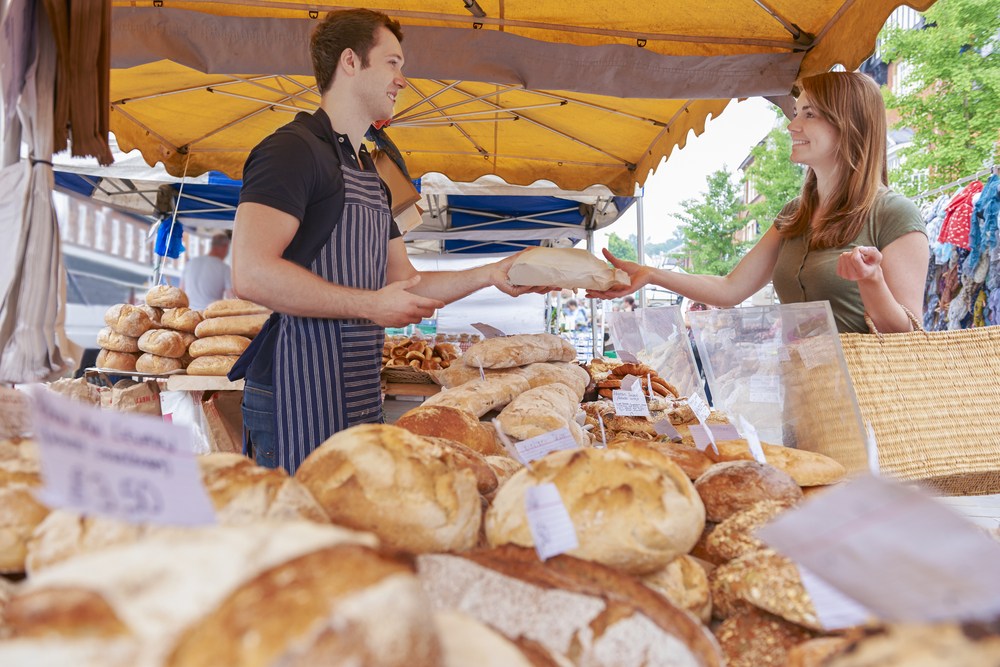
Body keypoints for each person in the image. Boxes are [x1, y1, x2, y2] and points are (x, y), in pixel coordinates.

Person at [229, 9, 542, 474]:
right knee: (306, 535)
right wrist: (369, 305)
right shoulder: (291, 150)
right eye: (393, 63)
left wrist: (491, 274)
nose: (402, 79)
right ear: (350, 62)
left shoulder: (372, 174)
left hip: (355, 387)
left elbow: (405, 284)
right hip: (295, 386)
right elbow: (251, 273)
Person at [589, 72, 929, 335]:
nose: (792, 124)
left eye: (809, 114)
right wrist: (651, 274)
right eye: (796, 112)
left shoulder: (894, 213)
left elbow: (907, 333)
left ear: (849, 124)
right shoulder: (795, 214)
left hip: (871, 406)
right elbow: (730, 288)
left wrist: (871, 281)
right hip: (804, 397)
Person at [180, 233, 236, 310]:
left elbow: (181, 290)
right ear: (225, 248)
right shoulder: (225, 269)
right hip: (209, 315)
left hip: (189, 313)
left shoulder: (191, 262)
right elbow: (231, 297)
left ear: (212, 245)